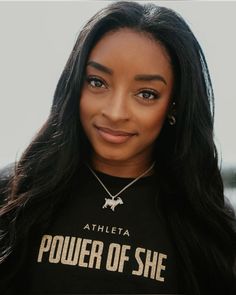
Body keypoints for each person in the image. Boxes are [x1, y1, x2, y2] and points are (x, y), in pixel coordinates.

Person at [0, 1, 235, 294]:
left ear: (174, 105)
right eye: (97, 82)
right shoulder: (16, 194)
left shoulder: (207, 224)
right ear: (75, 86)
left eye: (146, 94)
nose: (115, 111)